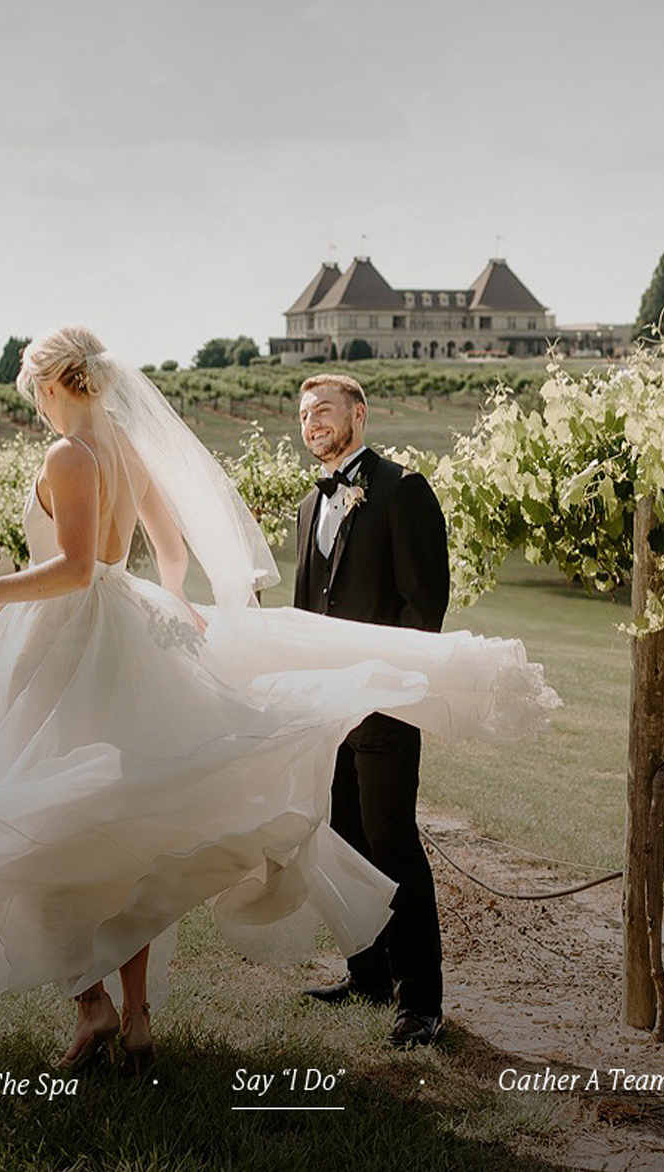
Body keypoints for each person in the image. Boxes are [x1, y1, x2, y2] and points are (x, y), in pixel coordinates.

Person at [0, 327, 554, 1070]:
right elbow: (171, 549)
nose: (36, 407)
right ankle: (139, 1011)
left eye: (34, 392)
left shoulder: (70, 451)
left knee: (38, 813)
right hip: (124, 631)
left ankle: (95, 1007)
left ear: (53, 383)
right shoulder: (125, 446)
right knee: (126, 821)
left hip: (71, 640)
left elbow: (77, 568)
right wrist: (167, 600)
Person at [291, 373, 451, 1049]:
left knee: (392, 843)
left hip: (384, 705)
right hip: (328, 709)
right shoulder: (307, 506)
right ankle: (367, 974)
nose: (312, 421)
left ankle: (421, 999)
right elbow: (304, 614)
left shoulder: (402, 490)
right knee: (346, 842)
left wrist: (392, 686)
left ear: (359, 415)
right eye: (303, 413)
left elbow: (425, 602)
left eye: (324, 409)